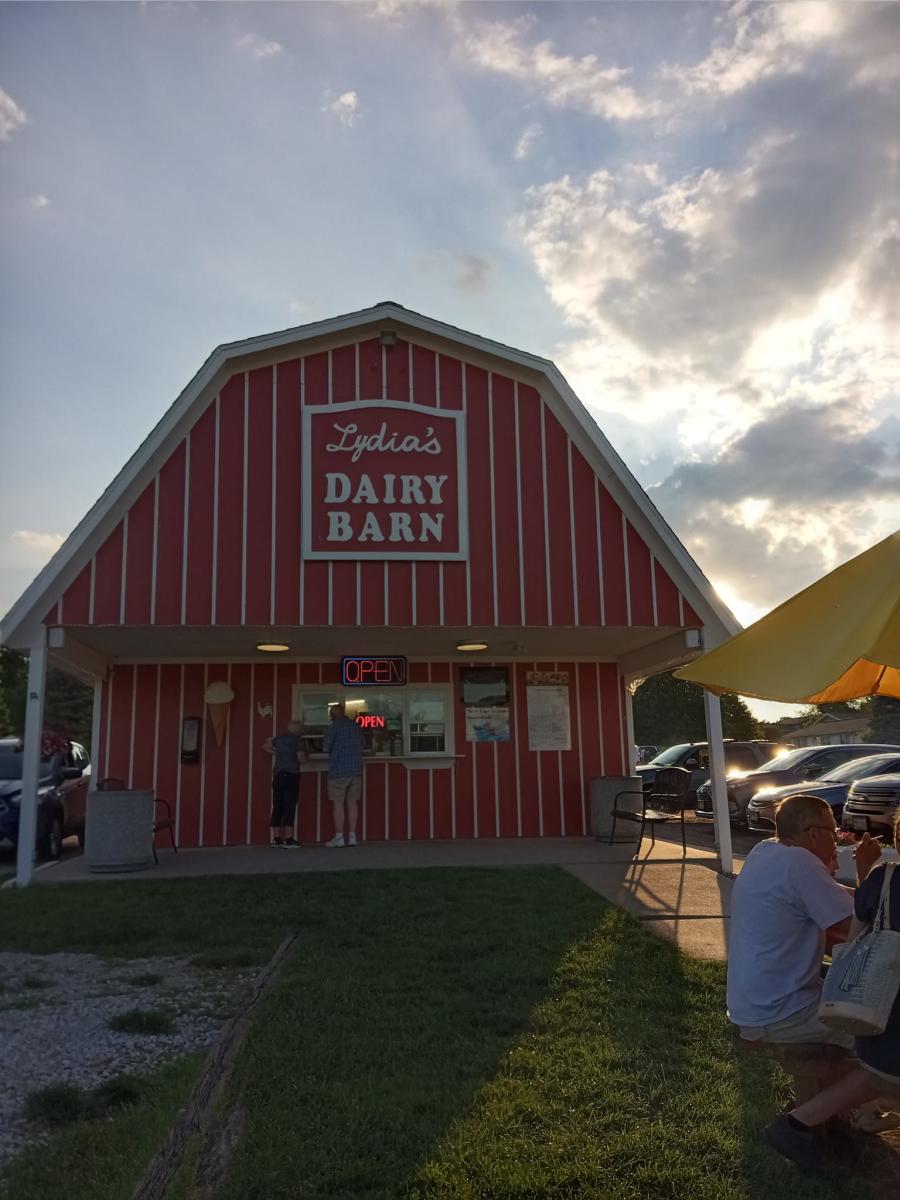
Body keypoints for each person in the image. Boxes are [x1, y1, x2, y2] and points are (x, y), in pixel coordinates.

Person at [765, 808, 900, 1176]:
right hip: (888, 1036)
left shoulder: (882, 879)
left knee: (876, 1069)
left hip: (870, 1018)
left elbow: (854, 944)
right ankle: (806, 1121)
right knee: (882, 1073)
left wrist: (868, 873)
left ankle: (807, 1122)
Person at [728, 793, 881, 1050]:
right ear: (813, 834)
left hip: (753, 1006)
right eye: (833, 831)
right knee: (880, 1037)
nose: (836, 839)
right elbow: (860, 929)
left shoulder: (765, 851)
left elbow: (840, 897)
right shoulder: (801, 863)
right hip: (784, 1014)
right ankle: (840, 1091)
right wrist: (865, 870)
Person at [322, 703, 365, 848]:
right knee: (352, 804)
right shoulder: (356, 727)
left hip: (338, 771)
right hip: (355, 770)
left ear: (332, 716)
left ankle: (339, 837)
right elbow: (363, 745)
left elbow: (325, 748)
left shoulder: (332, 728)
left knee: (338, 804)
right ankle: (352, 837)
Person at [263, 720, 307, 847]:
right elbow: (301, 758)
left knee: (277, 805)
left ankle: (276, 839)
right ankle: (288, 839)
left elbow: (265, 746)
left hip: (278, 775)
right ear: (298, 729)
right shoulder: (298, 741)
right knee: (289, 805)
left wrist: (277, 753)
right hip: (291, 775)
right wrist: (306, 759)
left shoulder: (280, 738)